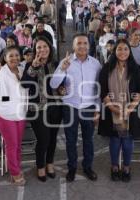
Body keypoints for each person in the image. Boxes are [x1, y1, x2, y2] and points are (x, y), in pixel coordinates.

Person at [50, 33, 101, 182]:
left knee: (88, 140)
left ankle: (87, 167)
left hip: (89, 107)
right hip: (70, 107)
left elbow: (99, 88)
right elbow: (53, 84)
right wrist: (62, 70)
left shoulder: (96, 64)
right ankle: (72, 167)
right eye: (78, 43)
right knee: (70, 140)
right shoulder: (65, 62)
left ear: (89, 45)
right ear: (73, 46)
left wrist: (98, 108)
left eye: (85, 43)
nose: (82, 46)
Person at [98, 39, 140, 182]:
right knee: (115, 140)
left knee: (128, 141)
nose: (122, 52)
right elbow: (103, 90)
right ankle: (114, 167)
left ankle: (126, 167)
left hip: (130, 112)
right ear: (114, 51)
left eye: (125, 49)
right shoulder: (106, 68)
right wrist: (113, 107)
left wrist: (129, 109)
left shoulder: (135, 68)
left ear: (129, 51)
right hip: (112, 110)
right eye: (119, 49)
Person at [21, 36, 62, 182]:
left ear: (50, 48)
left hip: (55, 108)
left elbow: (60, 84)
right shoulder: (29, 65)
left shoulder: (56, 64)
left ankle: (49, 163)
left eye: (45, 46)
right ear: (34, 50)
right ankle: (40, 166)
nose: (42, 49)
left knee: (52, 139)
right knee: (43, 139)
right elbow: (25, 84)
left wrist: (63, 89)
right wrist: (33, 67)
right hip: (37, 110)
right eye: (39, 47)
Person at [0, 46, 28, 185]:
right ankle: (15, 173)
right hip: (4, 114)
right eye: (11, 56)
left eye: (16, 55)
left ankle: (16, 166)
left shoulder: (22, 70)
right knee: (12, 144)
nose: (14, 58)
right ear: (5, 58)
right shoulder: (1, 71)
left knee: (18, 145)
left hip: (20, 114)